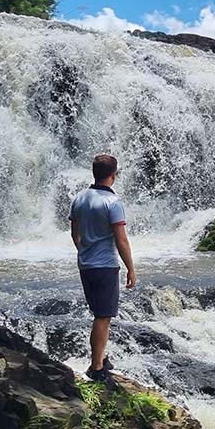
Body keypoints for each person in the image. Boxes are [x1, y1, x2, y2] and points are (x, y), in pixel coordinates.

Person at [69, 154, 137, 382]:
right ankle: (97, 368)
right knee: (103, 317)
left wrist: (85, 250)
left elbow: (74, 234)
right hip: (106, 265)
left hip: (85, 265)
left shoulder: (79, 198)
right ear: (113, 175)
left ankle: (101, 357)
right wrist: (131, 268)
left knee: (99, 314)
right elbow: (121, 240)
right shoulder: (113, 203)